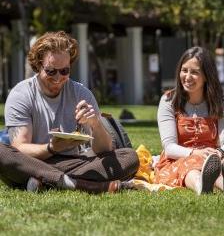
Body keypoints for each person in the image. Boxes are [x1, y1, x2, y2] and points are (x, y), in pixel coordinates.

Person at [1, 31, 139, 193]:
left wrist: (95, 124)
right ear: (38, 65)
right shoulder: (21, 94)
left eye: (64, 71)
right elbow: (20, 148)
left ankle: (46, 181)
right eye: (51, 71)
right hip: (31, 162)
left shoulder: (81, 93)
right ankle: (81, 185)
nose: (58, 78)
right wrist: (51, 148)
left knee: (129, 157)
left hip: (73, 162)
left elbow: (105, 150)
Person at [154, 46, 224, 195]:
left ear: (207, 76)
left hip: (211, 158)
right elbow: (169, 148)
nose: (187, 77)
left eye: (194, 72)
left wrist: (218, 153)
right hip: (178, 158)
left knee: (214, 165)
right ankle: (201, 185)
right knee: (191, 167)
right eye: (184, 70)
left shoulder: (219, 102)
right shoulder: (169, 101)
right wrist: (195, 153)